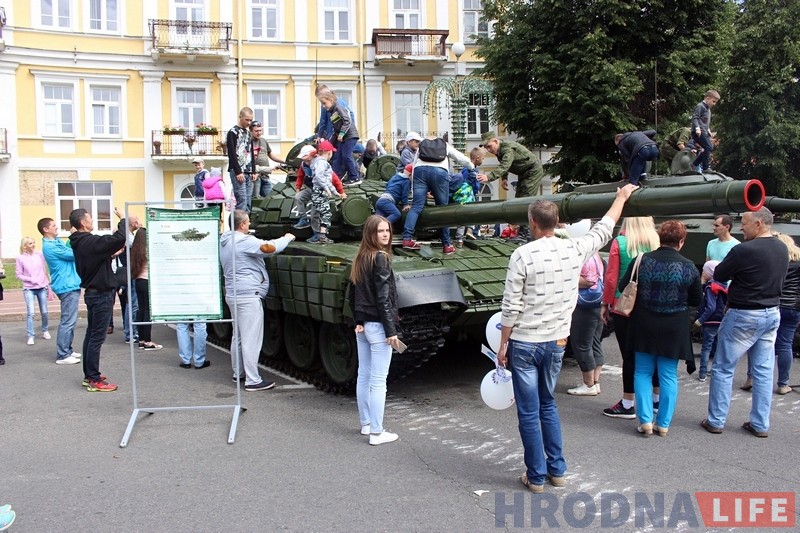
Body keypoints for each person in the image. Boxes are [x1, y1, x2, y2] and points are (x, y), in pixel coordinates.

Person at [497, 184, 638, 493]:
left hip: (524, 341)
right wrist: (621, 198)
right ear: (556, 221)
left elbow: (511, 306)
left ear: (532, 222)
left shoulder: (522, 254)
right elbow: (605, 227)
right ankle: (557, 470)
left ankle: (536, 476)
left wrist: (503, 344)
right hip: (557, 341)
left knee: (528, 411)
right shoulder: (574, 248)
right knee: (548, 404)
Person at [702, 207, 787, 438]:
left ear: (759, 224)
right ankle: (760, 424)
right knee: (763, 371)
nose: (742, 228)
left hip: (743, 313)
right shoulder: (782, 248)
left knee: (723, 367)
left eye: (746, 223)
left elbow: (719, 274)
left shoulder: (743, 250)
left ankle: (716, 420)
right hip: (772, 312)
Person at [624, 220, 702, 437]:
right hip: (674, 326)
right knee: (668, 375)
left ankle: (645, 421)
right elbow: (696, 299)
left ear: (659, 238)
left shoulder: (642, 260)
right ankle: (664, 424)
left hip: (644, 323)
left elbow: (624, 287)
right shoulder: (689, 266)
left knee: (642, 372)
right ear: (681, 241)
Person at [220, 210, 295, 390]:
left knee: (238, 336)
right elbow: (269, 248)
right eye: (248, 222)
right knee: (251, 339)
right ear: (242, 224)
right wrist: (286, 238)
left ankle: (238, 373)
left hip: (234, 293)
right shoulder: (243, 241)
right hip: (247, 295)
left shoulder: (225, 241)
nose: (250, 225)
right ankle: (253, 380)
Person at [349, 215, 403, 445]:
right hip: (379, 327)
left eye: (387, 230)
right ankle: (377, 433)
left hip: (364, 327)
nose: (385, 235)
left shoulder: (361, 256)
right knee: (379, 380)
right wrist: (391, 330)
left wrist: (358, 320)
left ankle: (366, 424)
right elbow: (383, 298)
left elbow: (353, 293)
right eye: (380, 231)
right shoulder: (380, 257)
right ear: (370, 234)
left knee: (364, 375)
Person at [601, 217, 661, 419]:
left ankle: (628, 403)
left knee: (629, 356)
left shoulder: (620, 242)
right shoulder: (656, 240)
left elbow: (612, 277)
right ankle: (656, 399)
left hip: (623, 305)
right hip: (649, 306)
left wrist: (606, 303)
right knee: (652, 353)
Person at [69, 208, 128, 392]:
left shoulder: (80, 241)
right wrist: (123, 219)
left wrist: (110, 255)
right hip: (101, 294)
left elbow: (94, 259)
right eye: (90, 218)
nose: (92, 220)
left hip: (94, 293)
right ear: (83, 223)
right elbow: (119, 238)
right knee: (96, 337)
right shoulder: (88, 240)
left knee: (91, 335)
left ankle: (90, 375)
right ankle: (93, 379)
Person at [402, 139, 474, 254]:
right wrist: (471, 166)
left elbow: (414, 164)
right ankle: (447, 245)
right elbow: (460, 158)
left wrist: (413, 188)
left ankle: (407, 239)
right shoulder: (444, 145)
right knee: (442, 209)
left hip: (420, 171)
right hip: (440, 172)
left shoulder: (422, 146)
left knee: (416, 207)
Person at [38, 218, 82, 364]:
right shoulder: (49, 246)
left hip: (70, 284)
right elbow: (72, 254)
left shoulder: (56, 241)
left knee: (71, 320)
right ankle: (63, 354)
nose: (56, 227)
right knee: (67, 321)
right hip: (66, 285)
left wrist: (72, 239)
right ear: (45, 229)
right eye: (53, 225)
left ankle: (67, 349)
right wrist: (76, 237)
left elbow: (69, 249)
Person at [567, 252, 606, 396]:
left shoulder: (585, 255)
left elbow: (589, 280)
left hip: (585, 304)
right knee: (595, 342)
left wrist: (566, 278)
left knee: (582, 344)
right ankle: (595, 382)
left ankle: (588, 384)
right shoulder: (596, 254)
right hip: (598, 301)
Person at [772, 233, 800, 396]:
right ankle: (783, 384)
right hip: (793, 308)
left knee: (763, 343)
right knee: (785, 344)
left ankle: (753, 378)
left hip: (774, 305)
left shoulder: (776, 262)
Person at [477, 131, 544, 199]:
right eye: (486, 148)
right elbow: (504, 163)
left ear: (496, 141)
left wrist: (489, 177)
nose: (488, 150)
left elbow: (505, 165)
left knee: (526, 197)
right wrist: (504, 178)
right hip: (523, 172)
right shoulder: (499, 150)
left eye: (489, 146)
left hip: (533, 170)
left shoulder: (507, 149)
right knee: (519, 197)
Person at [317, 89, 361, 186]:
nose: (323, 106)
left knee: (346, 156)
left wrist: (341, 133)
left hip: (350, 136)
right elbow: (335, 128)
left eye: (324, 103)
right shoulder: (332, 112)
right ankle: (335, 178)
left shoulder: (338, 107)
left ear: (331, 100)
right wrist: (330, 142)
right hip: (343, 137)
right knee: (337, 156)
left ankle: (355, 177)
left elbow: (347, 120)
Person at [292, 153, 347, 232]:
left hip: (321, 191)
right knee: (298, 197)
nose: (306, 162)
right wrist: (298, 188)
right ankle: (304, 219)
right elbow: (300, 176)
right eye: (304, 160)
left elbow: (335, 179)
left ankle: (317, 233)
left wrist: (341, 192)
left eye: (308, 160)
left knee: (315, 213)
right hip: (311, 188)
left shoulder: (321, 165)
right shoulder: (304, 165)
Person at [300, 142, 341, 244]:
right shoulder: (321, 162)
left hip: (319, 191)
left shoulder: (319, 162)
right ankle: (321, 236)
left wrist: (335, 191)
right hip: (320, 191)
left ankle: (319, 235)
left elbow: (327, 179)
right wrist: (326, 188)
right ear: (329, 152)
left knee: (320, 213)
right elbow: (319, 176)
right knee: (326, 214)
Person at [694, 260, 727, 382]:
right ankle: (714, 371)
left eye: (704, 270)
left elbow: (711, 307)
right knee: (718, 347)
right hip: (721, 320)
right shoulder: (723, 285)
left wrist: (700, 321)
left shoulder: (709, 287)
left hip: (710, 321)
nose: (702, 273)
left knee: (706, 347)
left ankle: (702, 372)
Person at [129, 228, 162, 351]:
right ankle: (148, 341)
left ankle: (142, 339)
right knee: (148, 311)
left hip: (138, 281)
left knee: (141, 310)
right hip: (147, 281)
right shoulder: (148, 250)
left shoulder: (135, 251)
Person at [15, 237, 50, 346]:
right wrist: (30, 279)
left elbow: (44, 269)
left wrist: (47, 283)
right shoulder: (20, 258)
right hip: (29, 288)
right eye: (30, 243)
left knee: (44, 311)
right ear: (25, 246)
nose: (33, 245)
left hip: (42, 287)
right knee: (31, 312)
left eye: (33, 243)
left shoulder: (39, 255)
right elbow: (18, 274)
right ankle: (31, 335)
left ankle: (45, 330)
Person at [226, 107, 254, 212]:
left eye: (251, 120)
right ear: (240, 117)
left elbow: (251, 152)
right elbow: (232, 153)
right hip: (237, 171)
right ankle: (237, 222)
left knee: (248, 201)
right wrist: (238, 171)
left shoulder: (248, 133)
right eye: (247, 120)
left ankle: (246, 221)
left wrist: (254, 170)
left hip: (248, 171)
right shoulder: (233, 132)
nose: (249, 122)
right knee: (242, 200)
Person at [250, 120, 285, 198]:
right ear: (251, 131)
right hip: (255, 177)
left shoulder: (263, 140)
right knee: (255, 199)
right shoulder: (248, 142)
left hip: (265, 176)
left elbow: (271, 154)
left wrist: (284, 161)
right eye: (256, 131)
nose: (259, 133)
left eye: (260, 130)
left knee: (269, 199)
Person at [691, 90, 720, 173]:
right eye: (713, 101)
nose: (714, 104)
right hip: (698, 132)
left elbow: (704, 121)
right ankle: (705, 168)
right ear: (708, 98)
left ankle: (694, 164)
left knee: (709, 147)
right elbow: (695, 117)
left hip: (704, 131)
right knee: (708, 147)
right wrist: (697, 128)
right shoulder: (700, 106)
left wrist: (708, 129)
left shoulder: (708, 110)